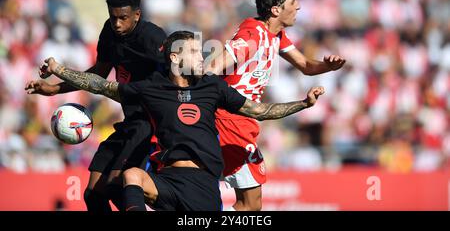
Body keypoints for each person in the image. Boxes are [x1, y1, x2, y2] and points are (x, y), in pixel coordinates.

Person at [38, 30, 325, 211]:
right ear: (176, 57)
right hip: (168, 181)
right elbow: (100, 85)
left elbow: (258, 111)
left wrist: (303, 103)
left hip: (203, 186)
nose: (202, 57)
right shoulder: (151, 89)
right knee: (132, 176)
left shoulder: (212, 87)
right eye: (194, 52)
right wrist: (60, 70)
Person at [205, 0, 346, 211]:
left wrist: (328, 66)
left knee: (250, 204)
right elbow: (214, 67)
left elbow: (305, 65)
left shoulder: (275, 35)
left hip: (243, 121)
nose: (298, 6)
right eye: (293, 2)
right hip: (230, 122)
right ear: (275, 9)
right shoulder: (253, 35)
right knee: (250, 204)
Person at [25, 0, 167, 211]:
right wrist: (53, 89)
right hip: (131, 122)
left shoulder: (153, 37)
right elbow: (97, 75)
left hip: (150, 126)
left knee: (117, 187)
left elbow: (178, 76)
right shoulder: (109, 32)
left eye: (123, 18)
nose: (117, 24)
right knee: (93, 195)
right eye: (113, 18)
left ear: (137, 15)